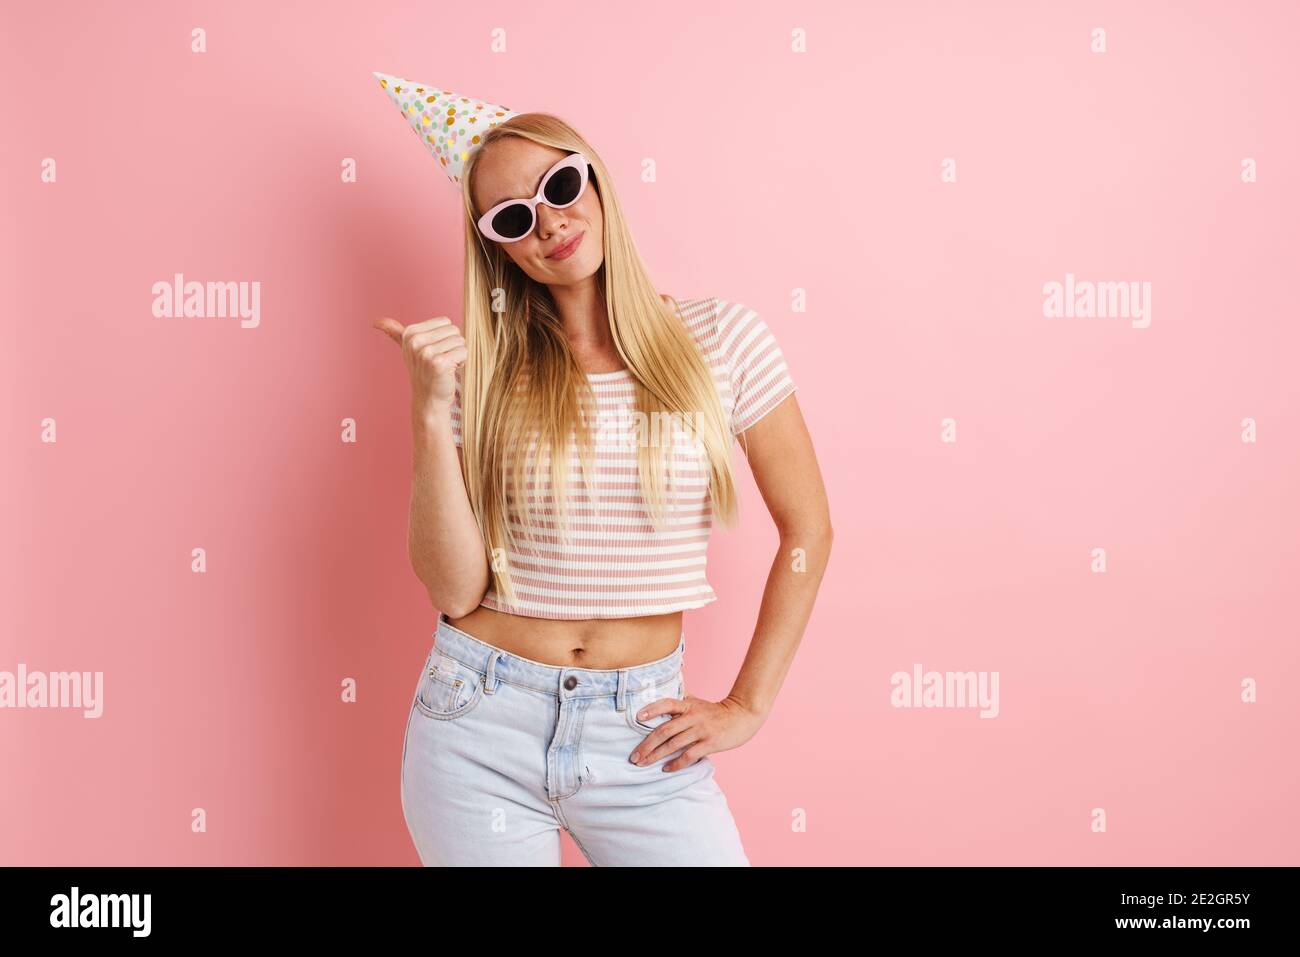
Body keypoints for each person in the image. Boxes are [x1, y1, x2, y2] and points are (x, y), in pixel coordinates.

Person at [371, 75, 832, 865]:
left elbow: (810, 529)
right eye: (515, 217)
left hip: (642, 731)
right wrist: (427, 409)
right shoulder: (480, 375)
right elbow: (453, 589)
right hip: (478, 721)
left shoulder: (722, 339)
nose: (549, 222)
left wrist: (748, 705)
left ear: (593, 175)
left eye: (559, 185)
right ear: (498, 247)